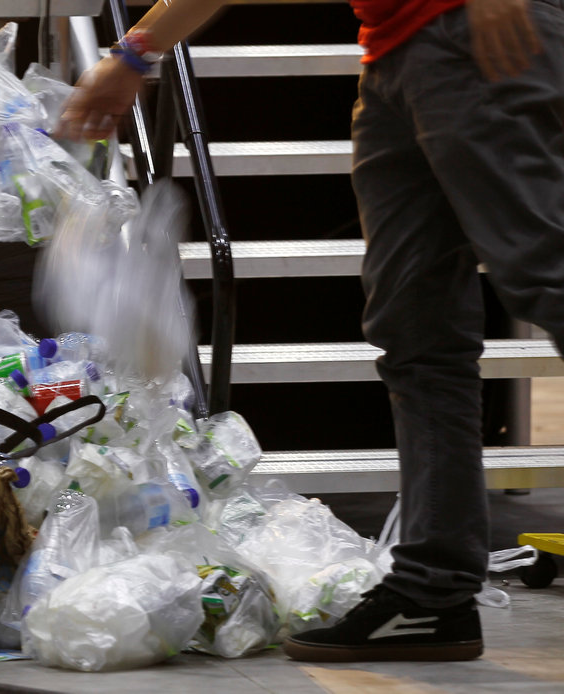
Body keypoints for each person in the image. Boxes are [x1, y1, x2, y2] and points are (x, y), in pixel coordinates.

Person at [58, 0, 561, 663]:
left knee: (545, 278)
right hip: (394, 54)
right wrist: (134, 53)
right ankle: (432, 592)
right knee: (416, 330)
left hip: (470, 30)